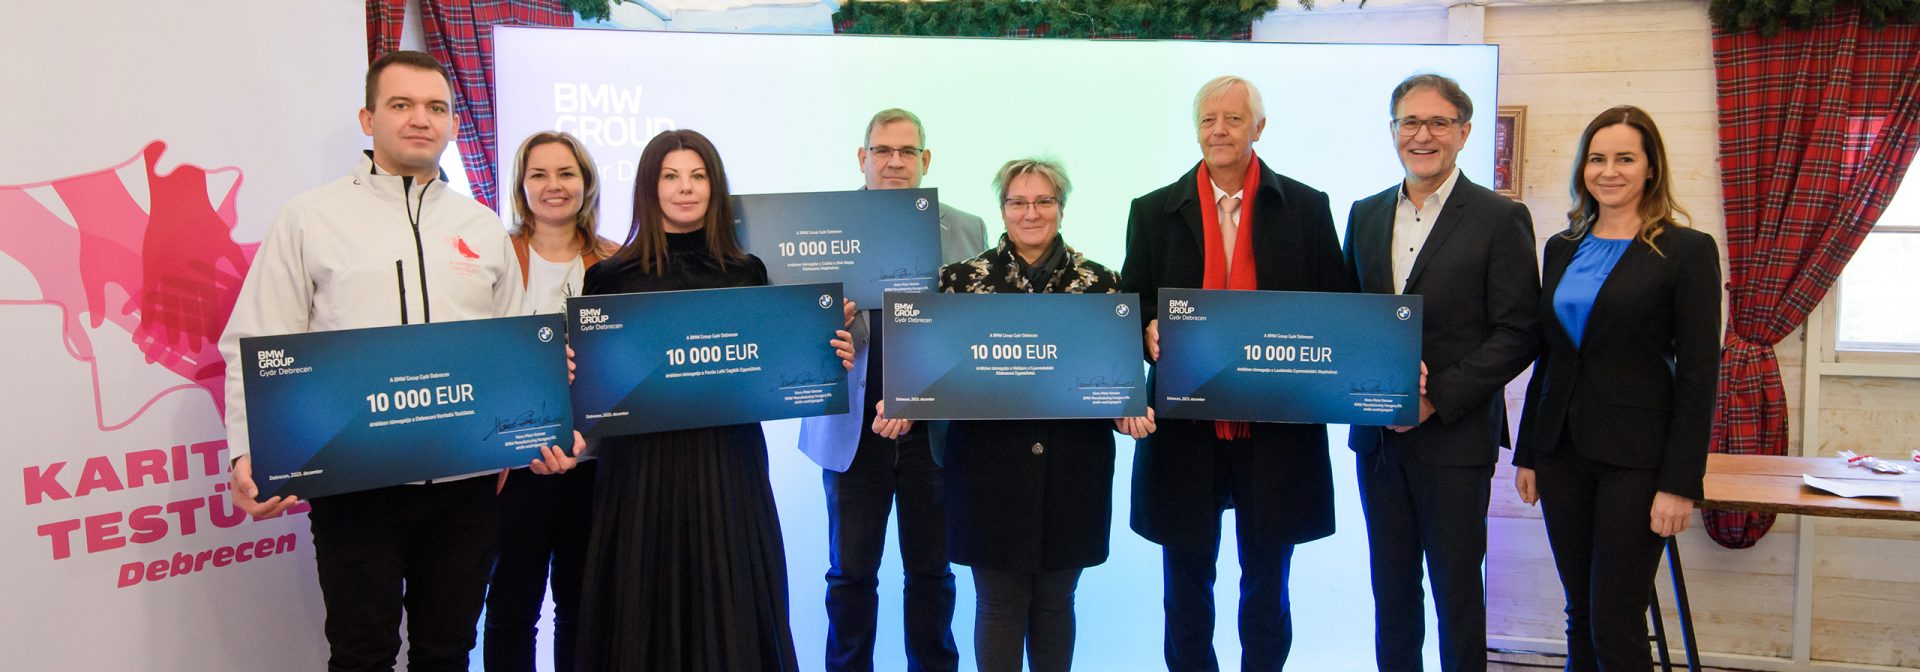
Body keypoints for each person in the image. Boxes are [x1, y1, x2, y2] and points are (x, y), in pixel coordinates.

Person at [218, 50, 576, 672]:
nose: (420, 119)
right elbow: (256, 340)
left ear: (453, 124)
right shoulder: (310, 218)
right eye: (401, 105)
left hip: (466, 488)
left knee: (447, 650)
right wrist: (249, 452)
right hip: (357, 484)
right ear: (368, 117)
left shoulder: (482, 225)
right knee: (362, 652)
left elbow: (513, 345)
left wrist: (534, 427)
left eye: (436, 107)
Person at [571, 128, 853, 672]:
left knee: (731, 594)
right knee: (643, 597)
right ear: (650, 188)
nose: (685, 188)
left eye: (698, 176)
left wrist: (823, 353)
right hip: (640, 473)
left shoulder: (747, 273)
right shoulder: (608, 279)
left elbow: (773, 367)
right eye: (671, 176)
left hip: (727, 463)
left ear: (715, 186)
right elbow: (597, 389)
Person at [871, 158, 1153, 671]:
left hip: (1074, 470)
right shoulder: (958, 282)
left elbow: (1112, 382)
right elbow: (930, 367)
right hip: (988, 472)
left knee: (1055, 604)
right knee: (998, 606)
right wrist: (904, 402)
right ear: (1001, 209)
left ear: (1061, 208)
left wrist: (1127, 412)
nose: (1031, 212)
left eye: (1044, 200)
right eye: (1018, 201)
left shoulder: (1103, 285)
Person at [1121, 75, 1352, 671]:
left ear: (1259, 128)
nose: (1219, 130)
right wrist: (1145, 328)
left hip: (1276, 425)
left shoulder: (1306, 207)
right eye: (1207, 119)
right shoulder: (1152, 211)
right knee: (1186, 585)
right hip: (1185, 426)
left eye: (1232, 118)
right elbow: (1130, 300)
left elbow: (1338, 308)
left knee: (1267, 586)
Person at [1343, 74, 1540, 672]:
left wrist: (1436, 398)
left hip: (1454, 440)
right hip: (1377, 442)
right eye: (1409, 122)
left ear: (1464, 132)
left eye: (1438, 123)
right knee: (1392, 591)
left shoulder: (1499, 218)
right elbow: (1348, 318)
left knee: (1457, 593)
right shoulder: (1367, 213)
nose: (1422, 135)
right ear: (1394, 130)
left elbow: (1519, 331)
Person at [1513, 105, 1721, 672]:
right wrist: (1528, 452)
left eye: (1625, 158)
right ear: (1583, 168)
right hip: (1561, 454)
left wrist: (1681, 483)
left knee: (1616, 615)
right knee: (1580, 611)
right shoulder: (1562, 245)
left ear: (1650, 167)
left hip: (1638, 462)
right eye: (1598, 158)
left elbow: (1701, 375)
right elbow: (1550, 357)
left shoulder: (1686, 251)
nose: (1610, 171)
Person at [797, 108, 985, 672]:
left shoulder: (967, 228)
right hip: (852, 429)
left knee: (933, 572)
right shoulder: (817, 227)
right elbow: (793, 336)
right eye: (883, 150)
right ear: (863, 158)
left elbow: (971, 332)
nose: (896, 161)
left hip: (934, 432)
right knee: (850, 574)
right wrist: (826, 323)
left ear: (926, 160)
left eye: (908, 151)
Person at [484, 130, 618, 672]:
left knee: (583, 607)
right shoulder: (493, 255)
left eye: (566, 173)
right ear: (521, 184)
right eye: (538, 173)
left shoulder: (615, 261)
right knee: (512, 609)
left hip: (594, 465)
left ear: (585, 183)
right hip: (515, 466)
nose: (553, 185)